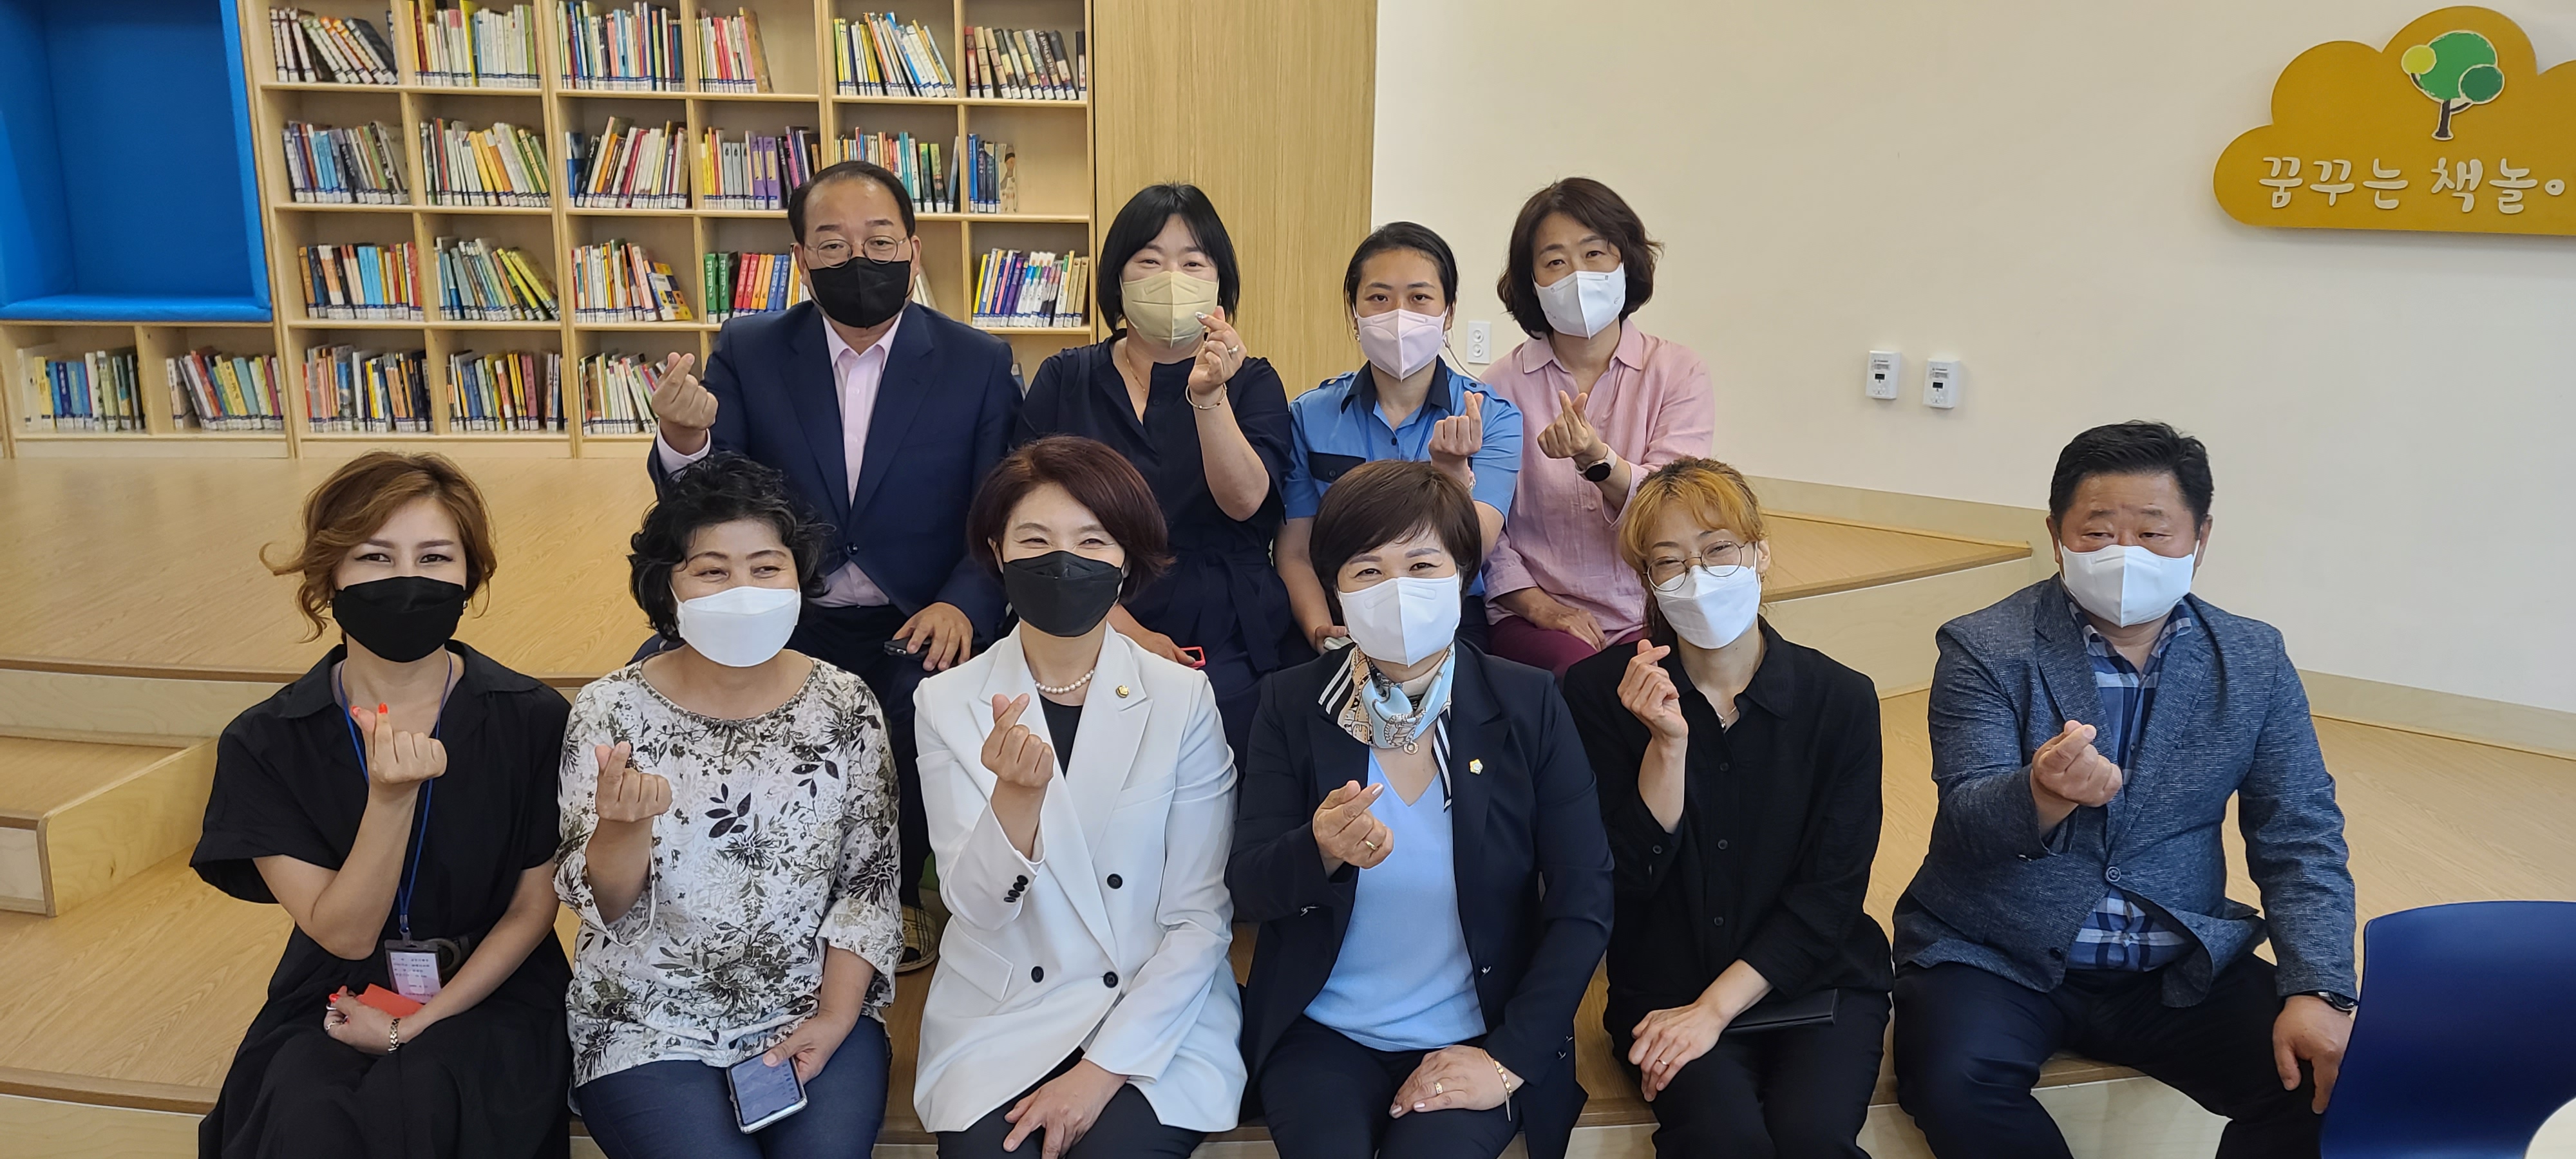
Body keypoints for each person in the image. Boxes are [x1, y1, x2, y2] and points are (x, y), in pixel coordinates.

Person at [1892, 422, 2356, 1158]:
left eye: (2152, 532)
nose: (2124, 554)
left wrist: (2317, 987)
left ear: (2200, 537)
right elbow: (1967, 821)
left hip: (2173, 960)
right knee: (1954, 1085)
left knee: (2327, 1082)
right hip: (1997, 954)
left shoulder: (2251, 657)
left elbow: (2298, 832)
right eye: (2098, 532)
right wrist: (2041, 793)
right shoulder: (1985, 644)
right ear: (2056, 536)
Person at [643, 158, 1021, 971]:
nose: (859, 259)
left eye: (879, 241)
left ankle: (895, 892)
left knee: (917, 709)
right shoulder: (750, 350)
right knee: (703, 690)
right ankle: (760, 889)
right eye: (833, 243)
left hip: (917, 611)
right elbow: (708, 501)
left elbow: (1001, 508)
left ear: (913, 250)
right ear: (801, 258)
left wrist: (964, 601)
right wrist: (684, 439)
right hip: (789, 606)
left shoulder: (978, 361)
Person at [193, 451, 572, 1159]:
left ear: (469, 576)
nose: (406, 579)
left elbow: (531, 910)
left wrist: (413, 1027)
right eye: (374, 557)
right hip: (337, 987)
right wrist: (390, 801)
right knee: (304, 1115)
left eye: (434, 557)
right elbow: (344, 935)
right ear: (329, 576)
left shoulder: (533, 718)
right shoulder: (266, 741)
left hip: (494, 989)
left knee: (427, 1101)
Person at [1231, 459, 1611, 1159]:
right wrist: (1317, 850)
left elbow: (1584, 897)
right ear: (1335, 588)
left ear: (1463, 574)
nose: (1397, 590)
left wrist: (1507, 1060)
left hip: (1478, 1032)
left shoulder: (1527, 703)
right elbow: (1249, 887)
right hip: (1321, 1032)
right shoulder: (1290, 703)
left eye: (1422, 565)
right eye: (1367, 571)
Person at [556, 454, 903, 1159]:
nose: (743, 590)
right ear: (669, 586)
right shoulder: (610, 710)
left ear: (799, 578)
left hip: (811, 1004)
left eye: (766, 568)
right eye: (713, 571)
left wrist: (836, 1017)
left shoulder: (846, 704)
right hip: (646, 1018)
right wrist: (622, 829)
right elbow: (606, 908)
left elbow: (868, 886)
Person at [911, 436, 1246, 1158]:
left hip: (1151, 1008)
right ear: (997, 551)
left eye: (1092, 540)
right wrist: (1015, 801)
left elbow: (1199, 916)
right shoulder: (946, 702)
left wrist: (1099, 1074)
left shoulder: (1181, 697)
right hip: (1004, 1011)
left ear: (1127, 557)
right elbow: (975, 909)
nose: (1063, 561)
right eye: (1035, 540)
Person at [1561, 458, 1889, 1157]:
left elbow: (1832, 893)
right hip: (1667, 989)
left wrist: (1713, 1011)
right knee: (1721, 1139)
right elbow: (1617, 882)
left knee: (1814, 1137)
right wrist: (1667, 749)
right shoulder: (1597, 694)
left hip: (1815, 982)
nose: (1698, 576)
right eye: (1669, 562)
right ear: (1649, 581)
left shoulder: (1841, 699)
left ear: (1759, 553)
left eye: (1717, 550)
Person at [1016, 182, 1305, 757]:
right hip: (1088, 608)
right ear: (1117, 281)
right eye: (1149, 261)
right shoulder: (1065, 379)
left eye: (1193, 263)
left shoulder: (1254, 382)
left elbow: (1246, 502)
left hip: (1228, 621)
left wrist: (1210, 397)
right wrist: (1129, 634)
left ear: (1219, 285)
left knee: (1225, 763)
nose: (1171, 278)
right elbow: (1022, 517)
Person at [1482, 178, 1714, 677]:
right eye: (1555, 262)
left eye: (1594, 254)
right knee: (1587, 679)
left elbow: (1677, 509)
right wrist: (1539, 607)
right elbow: (1485, 526)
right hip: (1536, 614)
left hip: (1650, 608)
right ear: (1531, 280)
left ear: (1626, 261)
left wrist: (1598, 461)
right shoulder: (1498, 386)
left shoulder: (1678, 371)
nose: (1578, 276)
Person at [1278, 222, 1522, 657]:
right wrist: (1320, 629)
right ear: (1354, 313)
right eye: (1379, 298)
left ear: (1448, 313)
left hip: (1447, 612)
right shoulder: (1308, 415)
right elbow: (1295, 550)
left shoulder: (1493, 416)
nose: (1398, 314)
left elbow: (1476, 548)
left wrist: (1451, 475)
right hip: (1343, 609)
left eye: (1419, 297)